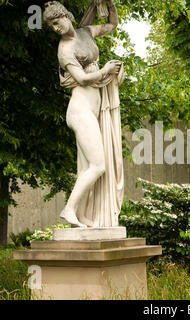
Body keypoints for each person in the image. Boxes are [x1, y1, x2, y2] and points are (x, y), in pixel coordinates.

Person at [43, 0, 124, 227]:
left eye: (57, 23)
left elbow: (111, 24)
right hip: (80, 111)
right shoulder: (64, 49)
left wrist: (109, 4)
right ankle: (68, 209)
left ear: (66, 16)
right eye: (53, 27)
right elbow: (82, 79)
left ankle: (82, 213)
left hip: (91, 110)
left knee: (86, 168)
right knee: (98, 166)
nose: (57, 29)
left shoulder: (85, 32)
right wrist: (106, 69)